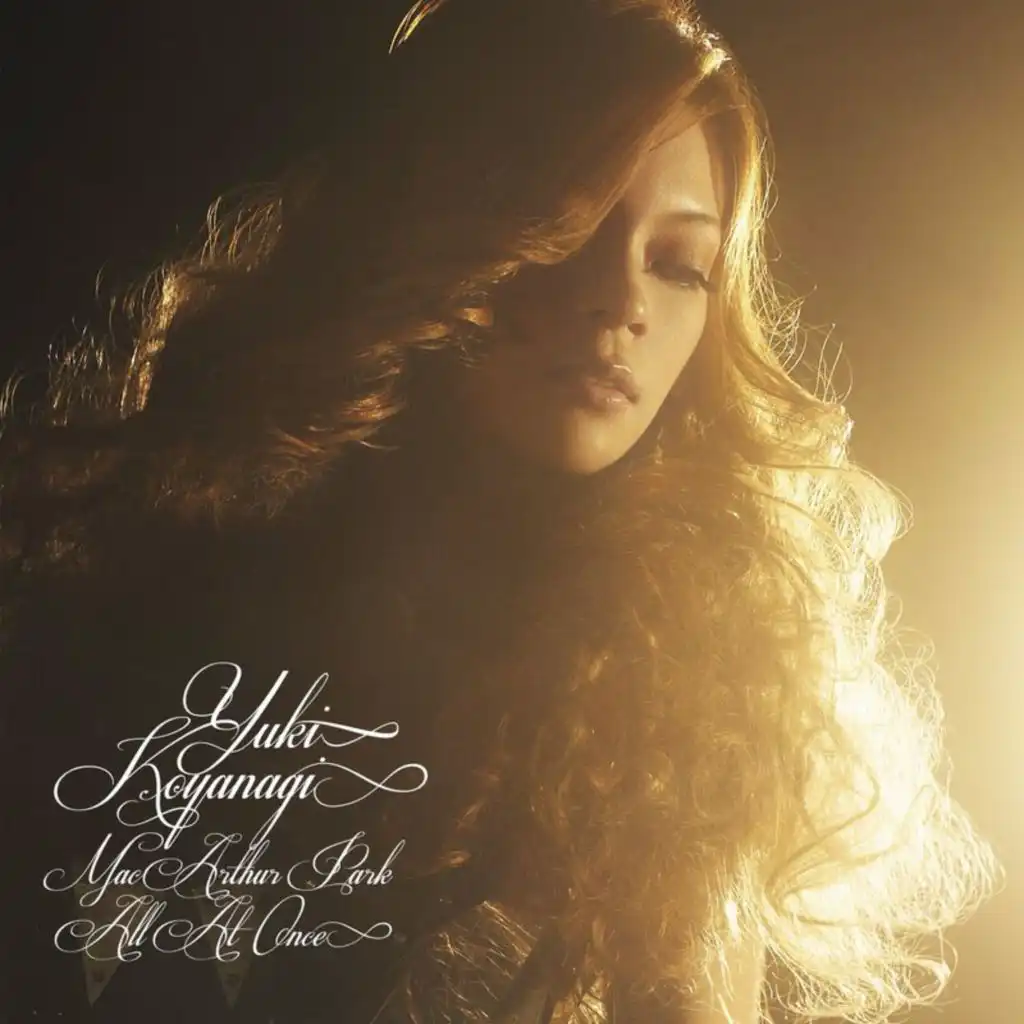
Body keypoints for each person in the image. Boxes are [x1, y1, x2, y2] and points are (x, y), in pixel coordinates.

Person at [0, 0, 1001, 1022]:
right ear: (443, 227)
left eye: (679, 264)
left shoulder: (678, 697)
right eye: (568, 231)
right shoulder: (157, 609)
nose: (624, 302)